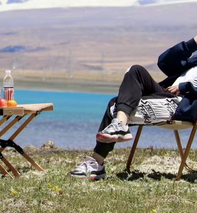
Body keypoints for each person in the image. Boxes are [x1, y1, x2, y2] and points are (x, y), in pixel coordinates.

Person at [68, 36, 197, 180]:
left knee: (116, 105)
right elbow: (165, 61)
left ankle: (97, 163)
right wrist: (192, 43)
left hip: (181, 104)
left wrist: (184, 87)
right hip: (165, 94)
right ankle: (119, 125)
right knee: (135, 70)